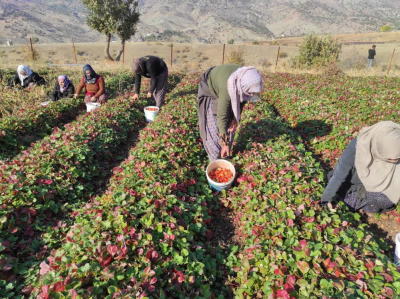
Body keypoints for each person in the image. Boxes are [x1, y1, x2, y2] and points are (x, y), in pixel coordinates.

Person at [321, 121, 400, 213]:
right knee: (353, 203)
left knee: (387, 200)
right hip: (353, 184)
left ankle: (362, 202)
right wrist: (326, 200)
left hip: (377, 183)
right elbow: (338, 176)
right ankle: (354, 199)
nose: (394, 161)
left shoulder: (396, 143)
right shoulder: (356, 148)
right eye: (389, 158)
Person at [197, 64, 263, 162]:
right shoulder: (227, 88)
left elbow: (243, 99)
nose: (252, 94)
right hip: (211, 87)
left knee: (230, 126)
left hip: (225, 86)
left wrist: (235, 119)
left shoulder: (244, 80)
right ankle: (215, 159)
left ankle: (225, 152)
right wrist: (224, 144)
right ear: (243, 85)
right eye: (250, 92)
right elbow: (221, 116)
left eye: (253, 92)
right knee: (213, 127)